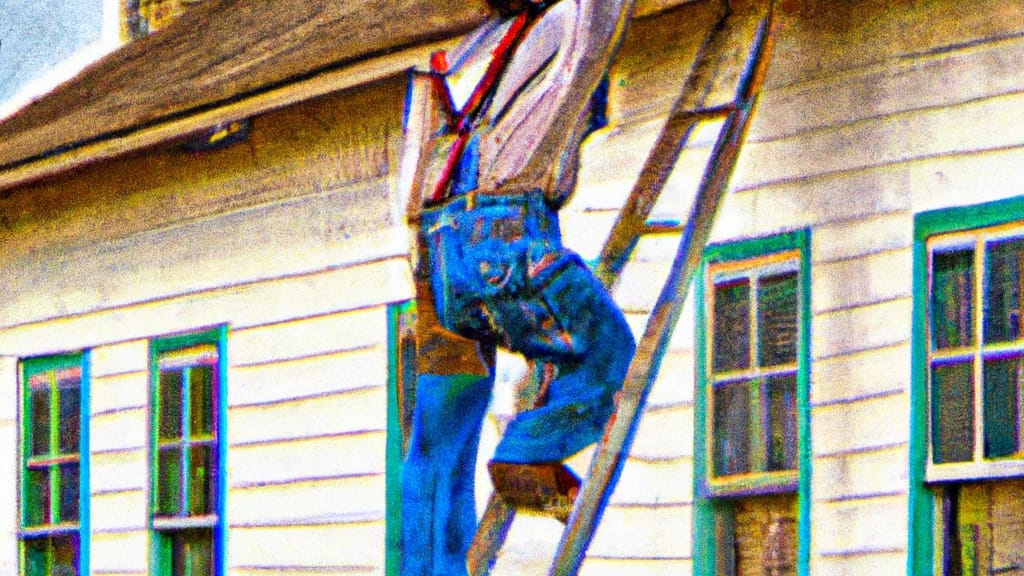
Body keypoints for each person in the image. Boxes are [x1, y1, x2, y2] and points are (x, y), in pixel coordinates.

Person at [395, 0, 634, 570]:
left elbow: (412, 182)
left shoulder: (452, 62)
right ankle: (529, 452)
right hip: (500, 242)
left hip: (434, 263)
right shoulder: (565, 17)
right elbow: (594, 29)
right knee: (606, 348)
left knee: (437, 441)